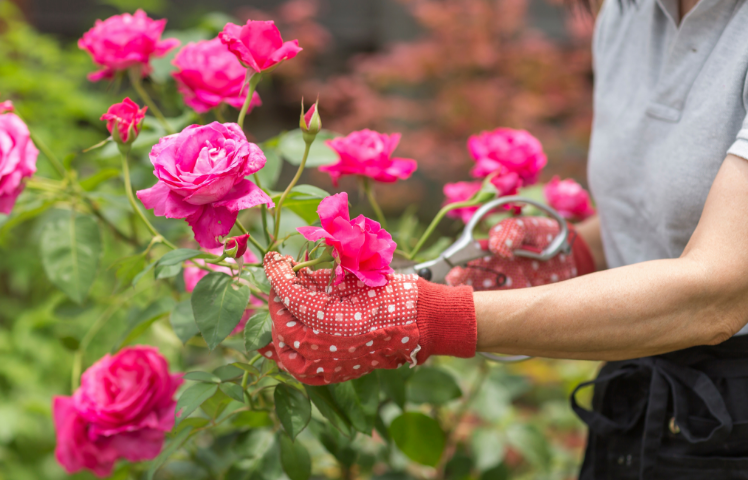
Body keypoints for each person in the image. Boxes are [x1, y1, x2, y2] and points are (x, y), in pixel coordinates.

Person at [259, 0, 748, 478]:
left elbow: (717, 294)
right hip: (638, 398)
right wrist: (569, 251)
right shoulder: (627, 11)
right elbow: (662, 218)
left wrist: (426, 317)